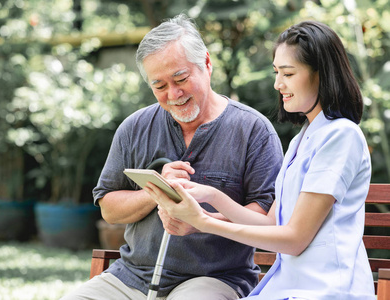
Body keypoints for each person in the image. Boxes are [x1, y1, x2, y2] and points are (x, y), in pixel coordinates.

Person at [145, 20, 375, 300]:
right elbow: (270, 223)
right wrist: (209, 200)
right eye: (277, 72)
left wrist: (205, 223)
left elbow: (294, 239)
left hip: (326, 290)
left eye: (288, 73)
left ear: (321, 74)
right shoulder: (304, 138)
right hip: (293, 286)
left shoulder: (341, 137)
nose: (278, 84)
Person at [61, 13, 283, 300]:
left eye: (181, 78)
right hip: (131, 276)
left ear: (206, 64)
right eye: (160, 86)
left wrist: (202, 219)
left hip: (214, 279)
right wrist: (155, 192)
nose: (174, 94)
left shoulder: (253, 131)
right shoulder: (134, 128)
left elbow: (267, 217)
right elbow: (109, 208)